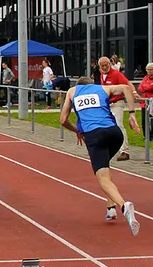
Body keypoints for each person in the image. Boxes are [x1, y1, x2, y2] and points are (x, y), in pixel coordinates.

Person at [61, 77, 142, 235]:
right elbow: (126, 87)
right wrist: (132, 114)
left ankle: (124, 206)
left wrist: (77, 130)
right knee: (105, 166)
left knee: (103, 177)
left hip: (94, 135)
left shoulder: (72, 91)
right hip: (114, 133)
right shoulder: (103, 88)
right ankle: (110, 208)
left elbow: (63, 120)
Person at [96, 56, 138, 161]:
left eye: (106, 65)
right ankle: (108, 147)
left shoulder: (116, 74)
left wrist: (134, 92)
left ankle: (124, 151)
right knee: (105, 126)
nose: (105, 68)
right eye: (102, 66)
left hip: (117, 103)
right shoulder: (102, 75)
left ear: (110, 64)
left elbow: (128, 83)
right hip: (107, 104)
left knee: (119, 125)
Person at [138, 63, 153, 142]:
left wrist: (146, 86)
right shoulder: (145, 78)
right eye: (147, 70)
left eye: (150, 70)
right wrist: (147, 86)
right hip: (144, 102)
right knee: (144, 120)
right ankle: (146, 136)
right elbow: (140, 88)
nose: (149, 71)